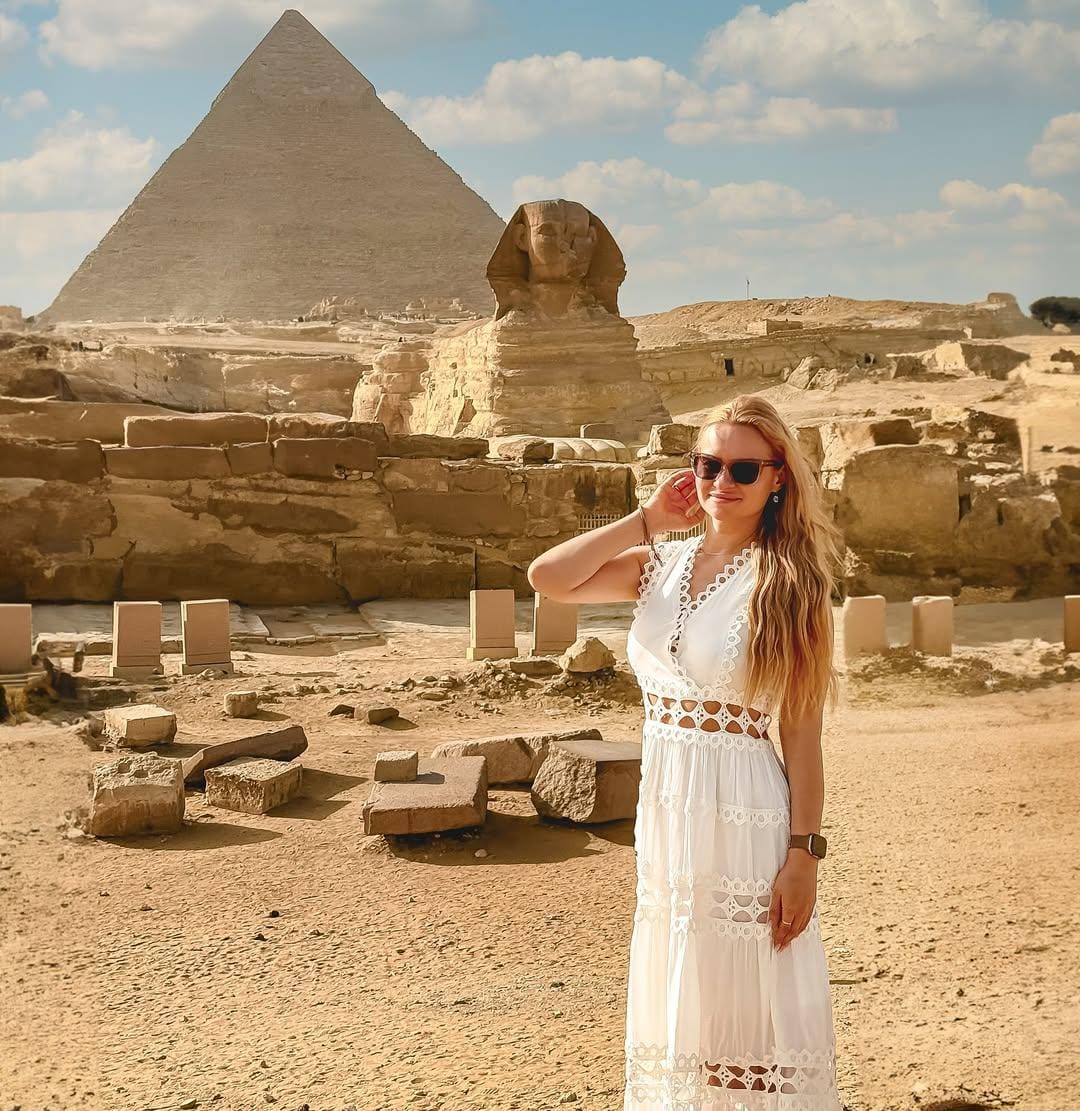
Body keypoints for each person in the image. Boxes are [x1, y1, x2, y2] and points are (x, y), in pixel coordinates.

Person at [527, 394, 843, 1108]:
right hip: (669, 815)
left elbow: (801, 735)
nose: (720, 481)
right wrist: (645, 521)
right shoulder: (656, 566)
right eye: (707, 463)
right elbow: (547, 578)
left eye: (741, 467)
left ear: (778, 477)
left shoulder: (791, 584)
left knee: (745, 1020)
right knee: (689, 1010)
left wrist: (803, 854)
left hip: (745, 817)